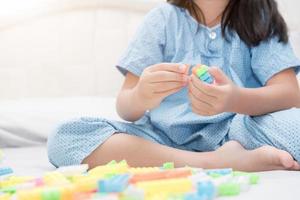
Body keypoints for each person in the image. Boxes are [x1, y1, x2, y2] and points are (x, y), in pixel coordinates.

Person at [47, 0, 300, 171]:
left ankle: (229, 156)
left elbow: (291, 95)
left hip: (237, 130)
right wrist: (142, 96)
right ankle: (214, 162)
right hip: (162, 138)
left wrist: (234, 99)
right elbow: (126, 107)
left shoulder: (259, 18)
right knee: (65, 138)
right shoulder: (161, 20)